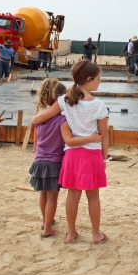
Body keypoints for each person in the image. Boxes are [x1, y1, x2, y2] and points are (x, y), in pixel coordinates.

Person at [30, 60, 109, 244]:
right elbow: (104, 135)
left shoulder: (64, 101)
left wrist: (33, 121)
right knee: (93, 196)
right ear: (89, 80)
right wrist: (104, 158)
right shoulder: (98, 105)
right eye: (98, 79)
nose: (100, 82)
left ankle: (71, 233)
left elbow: (40, 118)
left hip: (72, 155)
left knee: (72, 196)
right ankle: (96, 234)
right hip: (91, 155)